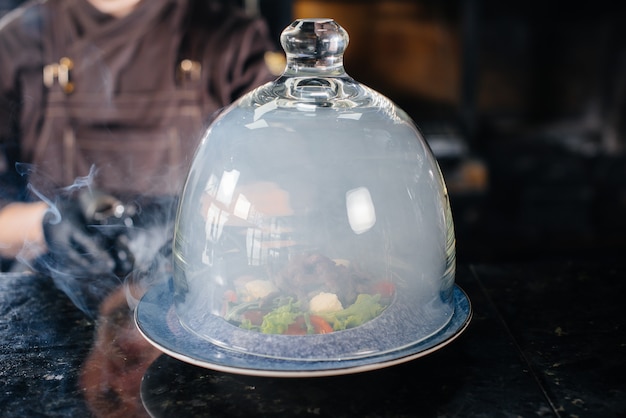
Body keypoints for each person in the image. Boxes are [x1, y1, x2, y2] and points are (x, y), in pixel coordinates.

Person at [0, 0, 276, 314]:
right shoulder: (17, 40)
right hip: (50, 300)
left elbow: (279, 199)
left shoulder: (230, 38)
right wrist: (47, 224)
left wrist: (180, 221)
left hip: (191, 296)